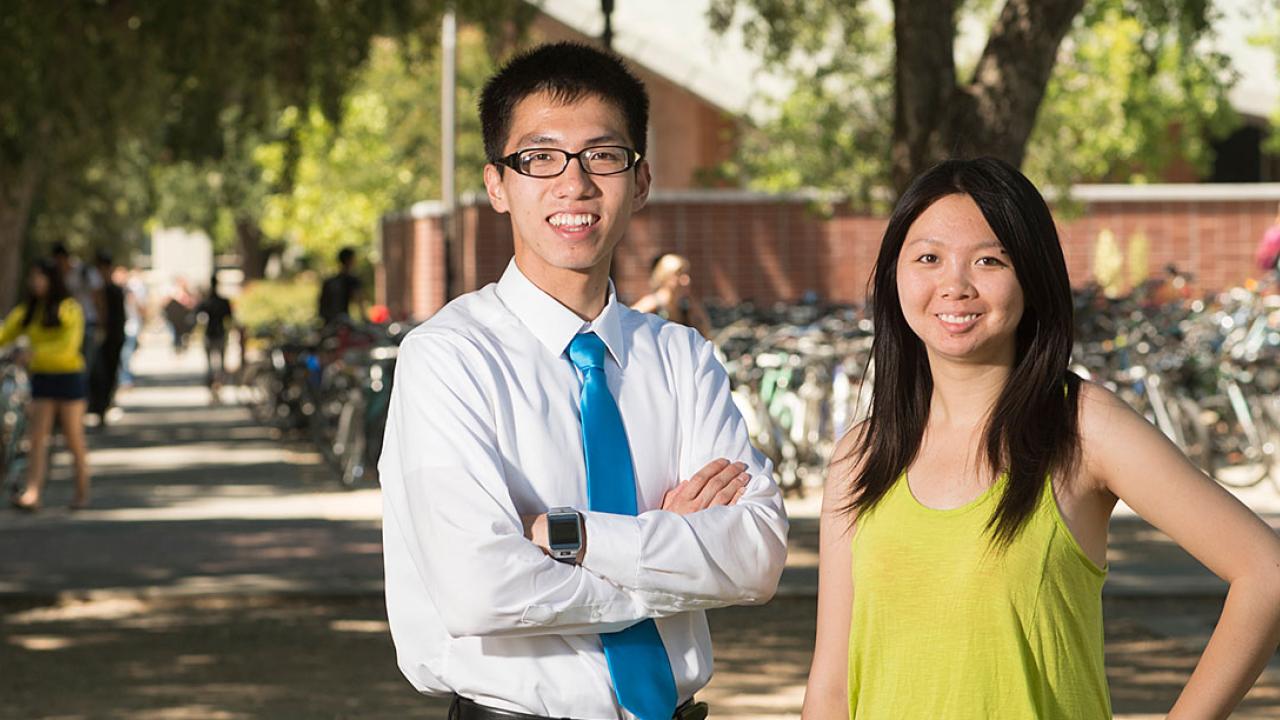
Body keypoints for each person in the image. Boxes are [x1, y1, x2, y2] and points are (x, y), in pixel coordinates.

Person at [380, 42, 788, 720]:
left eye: (603, 155)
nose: (574, 184)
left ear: (642, 179)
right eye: (540, 158)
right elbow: (481, 590)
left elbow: (758, 557)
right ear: (496, 185)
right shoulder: (449, 358)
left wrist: (572, 538)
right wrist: (667, 562)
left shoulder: (681, 357)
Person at [801, 158, 1280, 719]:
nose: (955, 285)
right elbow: (831, 691)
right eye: (928, 258)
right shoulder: (860, 458)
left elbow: (1265, 573)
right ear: (894, 276)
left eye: (989, 260)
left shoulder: (1082, 428)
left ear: (1031, 275)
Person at [0, 260, 92, 511]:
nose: (34, 282)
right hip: (42, 380)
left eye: (39, 277)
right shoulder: (29, 310)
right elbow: (5, 333)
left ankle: (82, 492)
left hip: (69, 378)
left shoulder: (69, 309)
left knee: (74, 438)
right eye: (32, 277)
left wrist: (33, 354)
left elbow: (68, 348)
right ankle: (33, 492)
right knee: (37, 438)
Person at [632, 253, 712, 339]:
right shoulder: (651, 305)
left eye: (686, 274)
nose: (687, 280)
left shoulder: (687, 307)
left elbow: (705, 334)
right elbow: (627, 325)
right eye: (679, 274)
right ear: (665, 276)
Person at [87, 251, 126, 425]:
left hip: (113, 338)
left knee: (108, 373)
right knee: (98, 374)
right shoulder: (98, 290)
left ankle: (103, 406)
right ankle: (98, 406)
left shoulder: (114, 290)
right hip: (103, 338)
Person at [51, 243, 104, 369]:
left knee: (86, 362)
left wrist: (101, 323)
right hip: (68, 324)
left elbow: (98, 298)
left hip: (88, 321)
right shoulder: (58, 276)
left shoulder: (85, 271)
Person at [195, 274, 235, 401]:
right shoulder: (222, 302)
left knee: (211, 364)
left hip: (210, 333)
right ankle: (218, 384)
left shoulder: (206, 302)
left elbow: (197, 318)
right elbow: (230, 318)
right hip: (220, 333)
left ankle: (214, 384)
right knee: (220, 362)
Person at [317, 247, 367, 325]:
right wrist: (366, 320)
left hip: (328, 324)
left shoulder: (329, 281)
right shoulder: (352, 281)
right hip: (343, 324)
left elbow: (321, 308)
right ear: (350, 260)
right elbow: (359, 301)